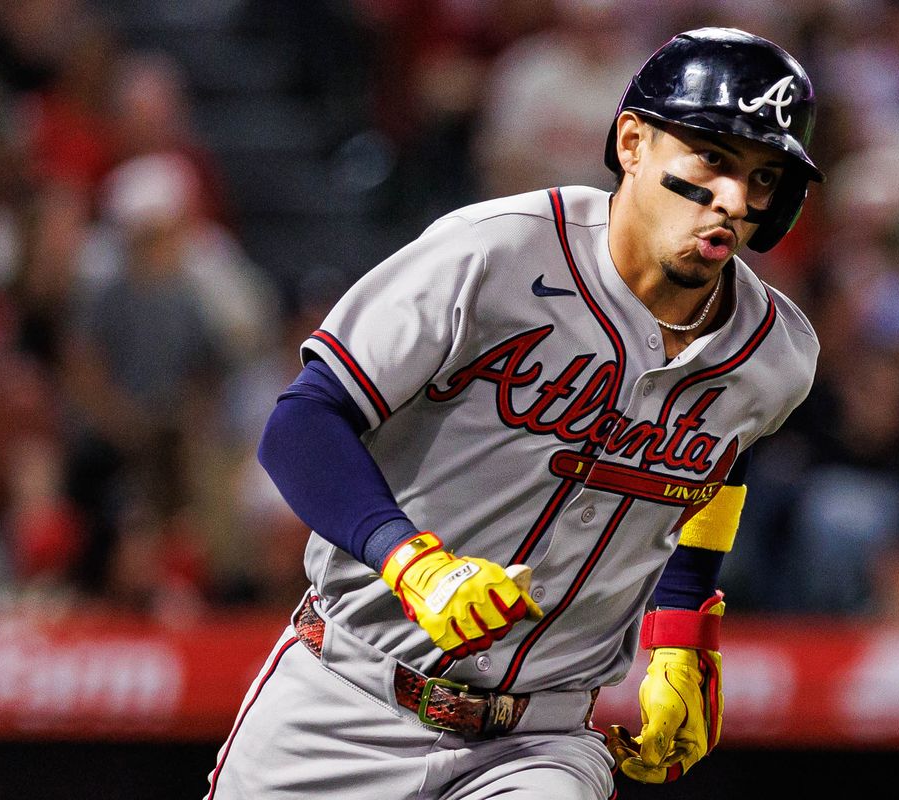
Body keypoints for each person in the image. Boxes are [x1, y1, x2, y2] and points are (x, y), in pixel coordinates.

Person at [206, 27, 824, 799]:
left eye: (763, 177)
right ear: (632, 142)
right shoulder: (497, 252)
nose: (733, 199)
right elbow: (301, 422)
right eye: (712, 159)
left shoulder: (776, 355)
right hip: (347, 695)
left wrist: (681, 633)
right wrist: (413, 561)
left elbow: (718, 459)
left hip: (540, 742)